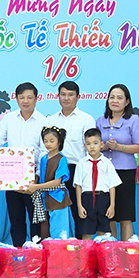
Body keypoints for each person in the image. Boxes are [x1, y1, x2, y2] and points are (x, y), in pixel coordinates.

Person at [0, 82, 46, 246]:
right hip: (12, 178)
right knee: (15, 217)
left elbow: (44, 151)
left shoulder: (43, 121)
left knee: (35, 218)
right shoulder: (9, 119)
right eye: (22, 97)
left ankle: (35, 251)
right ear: (16, 99)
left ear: (36, 99)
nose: (26, 101)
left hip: (33, 178)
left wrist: (38, 175)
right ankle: (18, 252)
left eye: (29, 97)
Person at [44, 81, 95, 238]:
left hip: (76, 171)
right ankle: (56, 246)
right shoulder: (50, 120)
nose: (66, 98)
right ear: (58, 96)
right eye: (63, 94)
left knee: (79, 211)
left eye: (71, 95)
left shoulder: (86, 119)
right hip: (53, 172)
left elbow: (91, 149)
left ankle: (80, 248)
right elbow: (43, 148)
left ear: (78, 97)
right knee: (54, 211)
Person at [96, 84, 139, 241]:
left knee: (125, 215)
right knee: (107, 214)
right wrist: (102, 147)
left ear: (127, 101)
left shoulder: (133, 120)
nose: (115, 101)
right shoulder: (100, 120)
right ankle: (110, 252)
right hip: (103, 172)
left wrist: (119, 147)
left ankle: (127, 252)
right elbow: (94, 146)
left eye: (119, 97)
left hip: (125, 172)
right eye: (112, 97)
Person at [74, 128, 122, 240]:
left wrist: (112, 205)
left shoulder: (107, 163)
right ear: (84, 145)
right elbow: (78, 186)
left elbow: (112, 186)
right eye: (88, 143)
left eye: (95, 143)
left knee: (103, 232)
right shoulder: (81, 164)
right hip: (87, 198)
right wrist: (80, 206)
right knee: (86, 231)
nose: (92, 146)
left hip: (103, 199)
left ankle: (103, 256)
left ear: (101, 144)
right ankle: (86, 256)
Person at [26, 126, 72, 239]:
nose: (48, 144)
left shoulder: (62, 159)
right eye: (45, 141)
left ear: (59, 142)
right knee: (45, 231)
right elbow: (41, 177)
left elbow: (57, 182)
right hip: (44, 199)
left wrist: (37, 187)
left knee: (60, 232)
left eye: (52, 141)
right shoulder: (43, 159)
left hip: (57, 197)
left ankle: (60, 255)